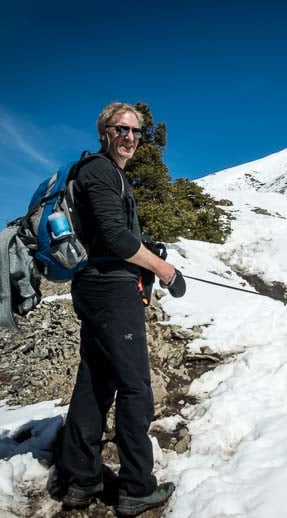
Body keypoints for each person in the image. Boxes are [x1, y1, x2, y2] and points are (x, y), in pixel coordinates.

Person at [55, 102, 185, 516]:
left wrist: (144, 247)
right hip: (111, 291)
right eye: (121, 129)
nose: (130, 138)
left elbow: (111, 232)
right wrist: (165, 270)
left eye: (136, 132)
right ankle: (135, 487)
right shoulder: (101, 171)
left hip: (93, 287)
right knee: (134, 386)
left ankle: (82, 480)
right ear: (104, 132)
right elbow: (114, 237)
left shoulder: (101, 174)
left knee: (96, 379)